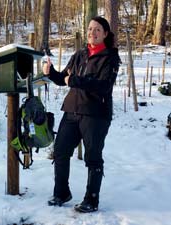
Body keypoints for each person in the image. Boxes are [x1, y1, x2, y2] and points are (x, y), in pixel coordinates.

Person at [42, 16, 120, 213]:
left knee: (93, 157)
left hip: (96, 114)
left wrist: (74, 80)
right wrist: (51, 73)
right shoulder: (80, 54)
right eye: (90, 28)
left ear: (105, 34)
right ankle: (61, 193)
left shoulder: (110, 58)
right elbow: (64, 79)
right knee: (60, 152)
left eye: (97, 30)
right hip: (72, 110)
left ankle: (91, 200)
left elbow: (104, 86)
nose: (92, 33)